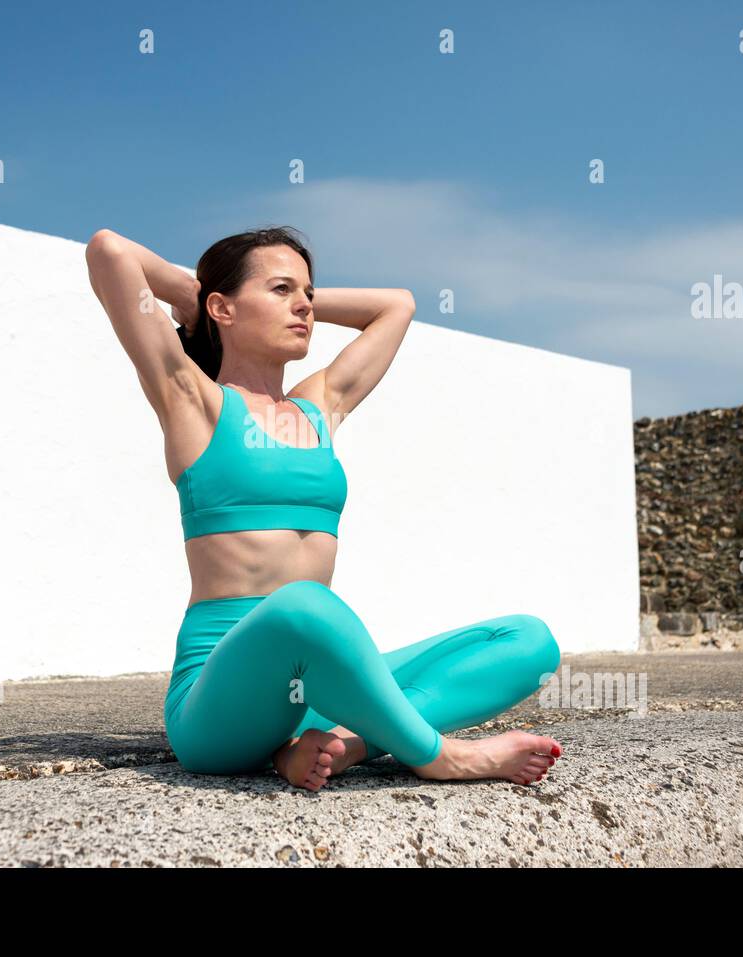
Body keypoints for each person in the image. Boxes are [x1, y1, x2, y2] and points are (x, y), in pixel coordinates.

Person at [85, 225, 563, 792]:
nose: (305, 307)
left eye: (308, 293)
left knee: (529, 643)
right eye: (283, 290)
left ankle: (342, 747)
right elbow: (108, 251)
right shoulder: (192, 400)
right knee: (304, 607)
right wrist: (200, 298)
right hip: (217, 705)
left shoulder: (319, 407)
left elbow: (396, 307)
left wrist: (283, 298)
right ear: (221, 307)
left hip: (311, 695)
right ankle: (443, 756)